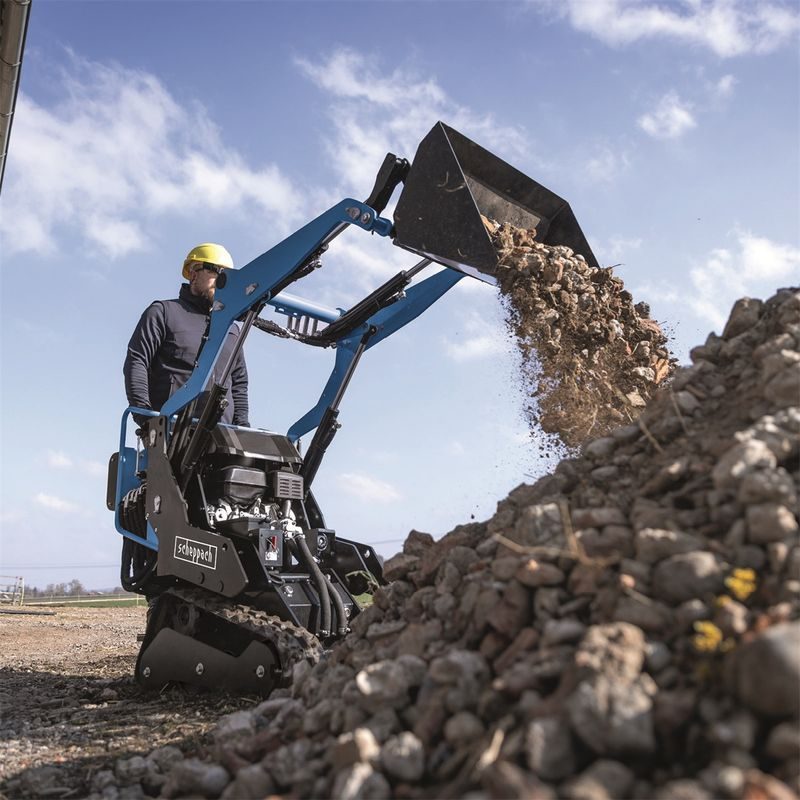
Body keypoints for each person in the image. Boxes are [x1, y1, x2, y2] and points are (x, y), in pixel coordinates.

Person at [124, 243, 250, 428]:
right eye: (217, 273)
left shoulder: (232, 329)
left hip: (220, 438)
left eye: (227, 277)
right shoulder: (163, 312)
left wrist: (242, 427)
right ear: (194, 274)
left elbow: (239, 381)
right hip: (170, 431)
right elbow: (137, 361)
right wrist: (145, 417)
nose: (223, 283)